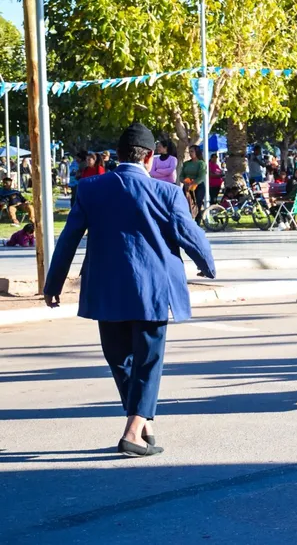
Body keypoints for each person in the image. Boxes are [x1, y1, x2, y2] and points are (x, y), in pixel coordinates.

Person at [43, 122, 216, 456]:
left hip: (107, 290)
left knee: (120, 360)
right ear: (150, 157)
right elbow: (191, 235)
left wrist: (54, 283)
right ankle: (134, 431)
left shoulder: (90, 189)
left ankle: (141, 423)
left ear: (117, 156)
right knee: (148, 362)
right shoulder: (168, 193)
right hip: (154, 291)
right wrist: (207, 265)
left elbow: (68, 240)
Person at [181, 145, 207, 223]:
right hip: (187, 187)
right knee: (186, 205)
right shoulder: (186, 164)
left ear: (197, 152)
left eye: (192, 151)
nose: (190, 153)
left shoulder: (201, 163)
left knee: (197, 204)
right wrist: (184, 181)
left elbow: (201, 176)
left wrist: (193, 183)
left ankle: (197, 223)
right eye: (189, 152)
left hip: (198, 187)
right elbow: (181, 175)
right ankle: (188, 223)